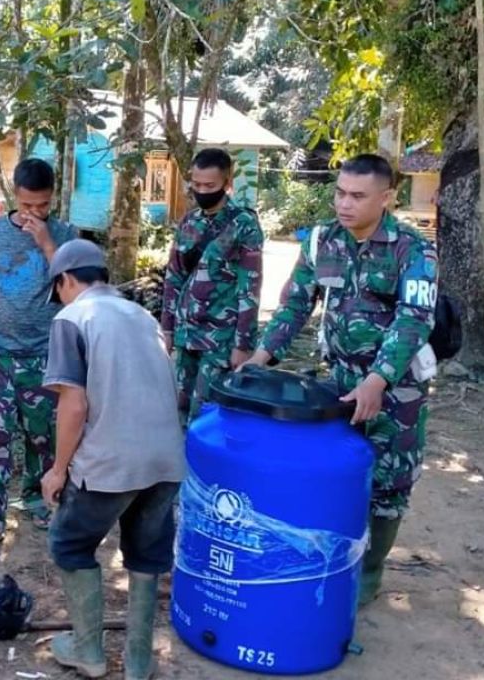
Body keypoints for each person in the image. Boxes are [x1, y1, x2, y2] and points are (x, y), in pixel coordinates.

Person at [245, 153, 438, 605]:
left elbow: (414, 319)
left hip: (397, 386)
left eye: (357, 196)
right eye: (339, 193)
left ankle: (369, 575)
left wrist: (379, 380)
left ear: (387, 198)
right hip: (337, 380)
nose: (344, 204)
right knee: (333, 470)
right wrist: (261, 354)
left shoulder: (413, 249)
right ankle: (333, 556)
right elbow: (295, 304)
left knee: (390, 480)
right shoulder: (320, 241)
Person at [40, 240, 186, 680]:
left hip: (111, 462)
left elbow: (74, 405)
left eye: (59, 289)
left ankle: (89, 650)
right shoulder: (141, 316)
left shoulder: (72, 318)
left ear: (65, 280)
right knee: (147, 554)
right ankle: (139, 662)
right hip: (166, 458)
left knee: (69, 544)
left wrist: (58, 469)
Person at [0, 158, 78, 554]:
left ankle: (38, 500)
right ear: (15, 195)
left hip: (47, 354)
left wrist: (46, 241)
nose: (35, 213)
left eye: (43, 205)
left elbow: (74, 289)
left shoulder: (65, 235)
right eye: (28, 205)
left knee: (42, 435)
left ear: (53, 198)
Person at [161, 148, 264, 423]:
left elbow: (250, 287)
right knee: (178, 413)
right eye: (196, 185)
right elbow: (174, 277)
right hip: (186, 334)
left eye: (210, 185)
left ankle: (202, 467)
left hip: (220, 339)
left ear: (227, 183)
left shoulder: (243, 225)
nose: (202, 191)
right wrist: (167, 328)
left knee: (208, 414)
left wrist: (243, 344)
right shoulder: (188, 221)